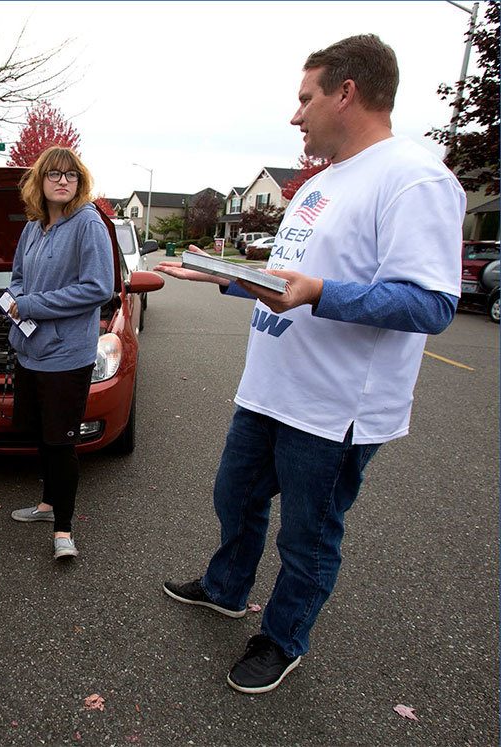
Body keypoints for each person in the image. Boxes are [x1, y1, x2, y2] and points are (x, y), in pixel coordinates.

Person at [153, 34, 464, 694]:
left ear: (346, 93)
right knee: (233, 495)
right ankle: (226, 587)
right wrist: (223, 277)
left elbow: (432, 302)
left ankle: (284, 637)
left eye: (305, 98)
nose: (295, 115)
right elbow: (290, 277)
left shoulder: (414, 177)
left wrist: (321, 293)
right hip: (269, 389)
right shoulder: (319, 184)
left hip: (334, 408)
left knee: (309, 537)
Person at [0, 147, 116, 560]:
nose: (62, 181)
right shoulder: (34, 226)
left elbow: (98, 287)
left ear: (79, 181)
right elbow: (16, 277)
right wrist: (13, 298)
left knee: (61, 443)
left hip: (67, 356)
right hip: (31, 351)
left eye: (70, 175)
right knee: (42, 437)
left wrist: (30, 305)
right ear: (40, 182)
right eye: (54, 175)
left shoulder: (88, 224)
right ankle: (48, 506)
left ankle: (64, 531)